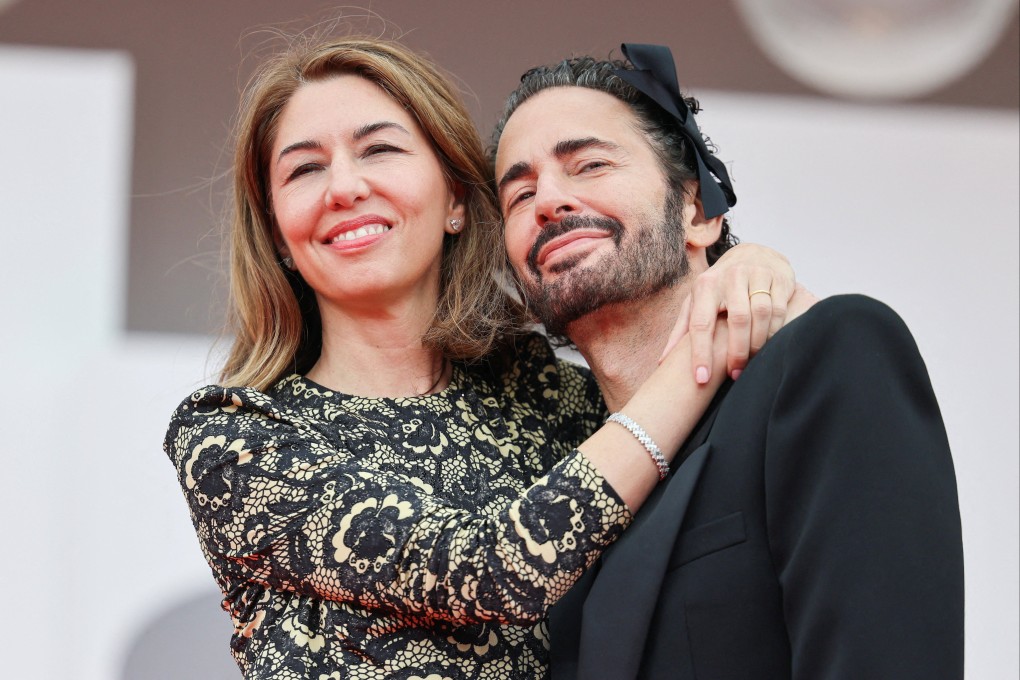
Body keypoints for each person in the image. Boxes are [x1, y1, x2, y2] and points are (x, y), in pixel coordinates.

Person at [163, 36, 803, 679]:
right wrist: (712, 331)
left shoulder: (549, 396)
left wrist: (739, 271)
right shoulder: (235, 435)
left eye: (379, 150)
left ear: (458, 201)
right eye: (304, 169)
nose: (345, 187)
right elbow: (493, 569)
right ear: (276, 231)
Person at [491, 43, 965, 679]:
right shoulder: (547, 480)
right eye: (519, 194)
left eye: (589, 164)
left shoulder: (828, 356)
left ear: (696, 210)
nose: (548, 199)